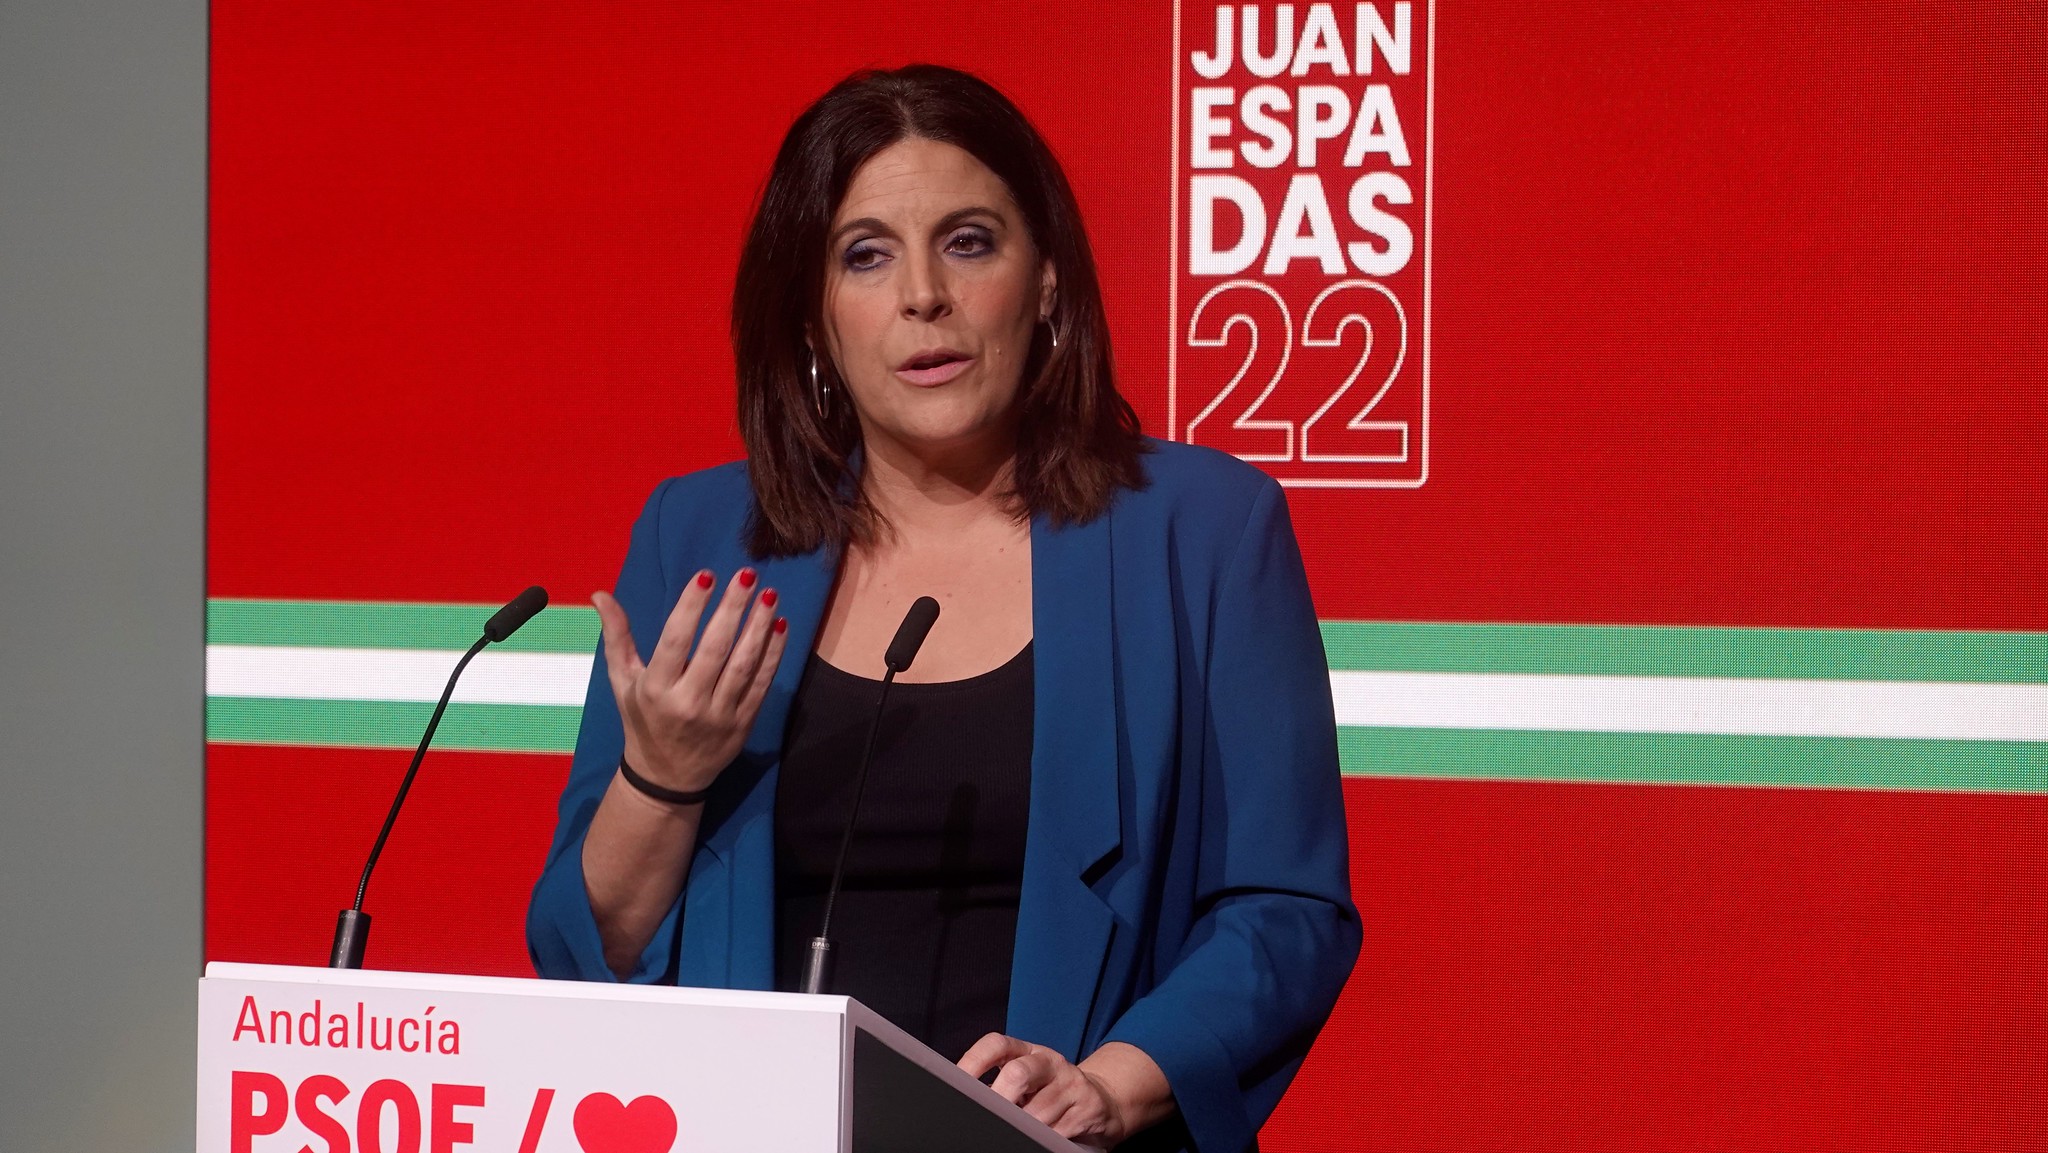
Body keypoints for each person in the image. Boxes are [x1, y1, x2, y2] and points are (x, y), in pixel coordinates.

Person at [528, 64, 1359, 1152]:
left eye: (968, 242)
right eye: (865, 255)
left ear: (1047, 280)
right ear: (814, 314)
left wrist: (1111, 1084)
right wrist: (663, 778)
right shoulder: (700, 539)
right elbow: (586, 948)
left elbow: (1285, 912)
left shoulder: (1202, 529)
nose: (923, 294)